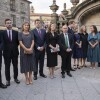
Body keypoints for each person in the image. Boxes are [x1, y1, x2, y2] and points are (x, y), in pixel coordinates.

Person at [2, 19, 20, 86]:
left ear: (12, 24)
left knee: (15, 66)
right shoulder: (2, 33)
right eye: (7, 23)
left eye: (10, 23)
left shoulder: (16, 32)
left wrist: (13, 47)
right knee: (7, 67)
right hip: (6, 53)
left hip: (15, 52)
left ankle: (15, 78)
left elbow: (18, 42)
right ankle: (8, 80)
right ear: (5, 24)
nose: (9, 24)